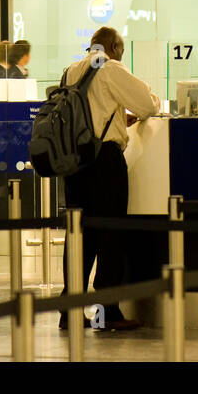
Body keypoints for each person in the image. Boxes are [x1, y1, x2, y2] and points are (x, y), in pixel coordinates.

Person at [59, 26, 160, 331]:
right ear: (115, 47)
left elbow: (91, 108)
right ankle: (107, 311)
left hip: (74, 162)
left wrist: (116, 115)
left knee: (79, 235)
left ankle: (69, 311)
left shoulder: (71, 70)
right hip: (104, 160)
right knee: (110, 233)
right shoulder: (110, 66)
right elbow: (147, 104)